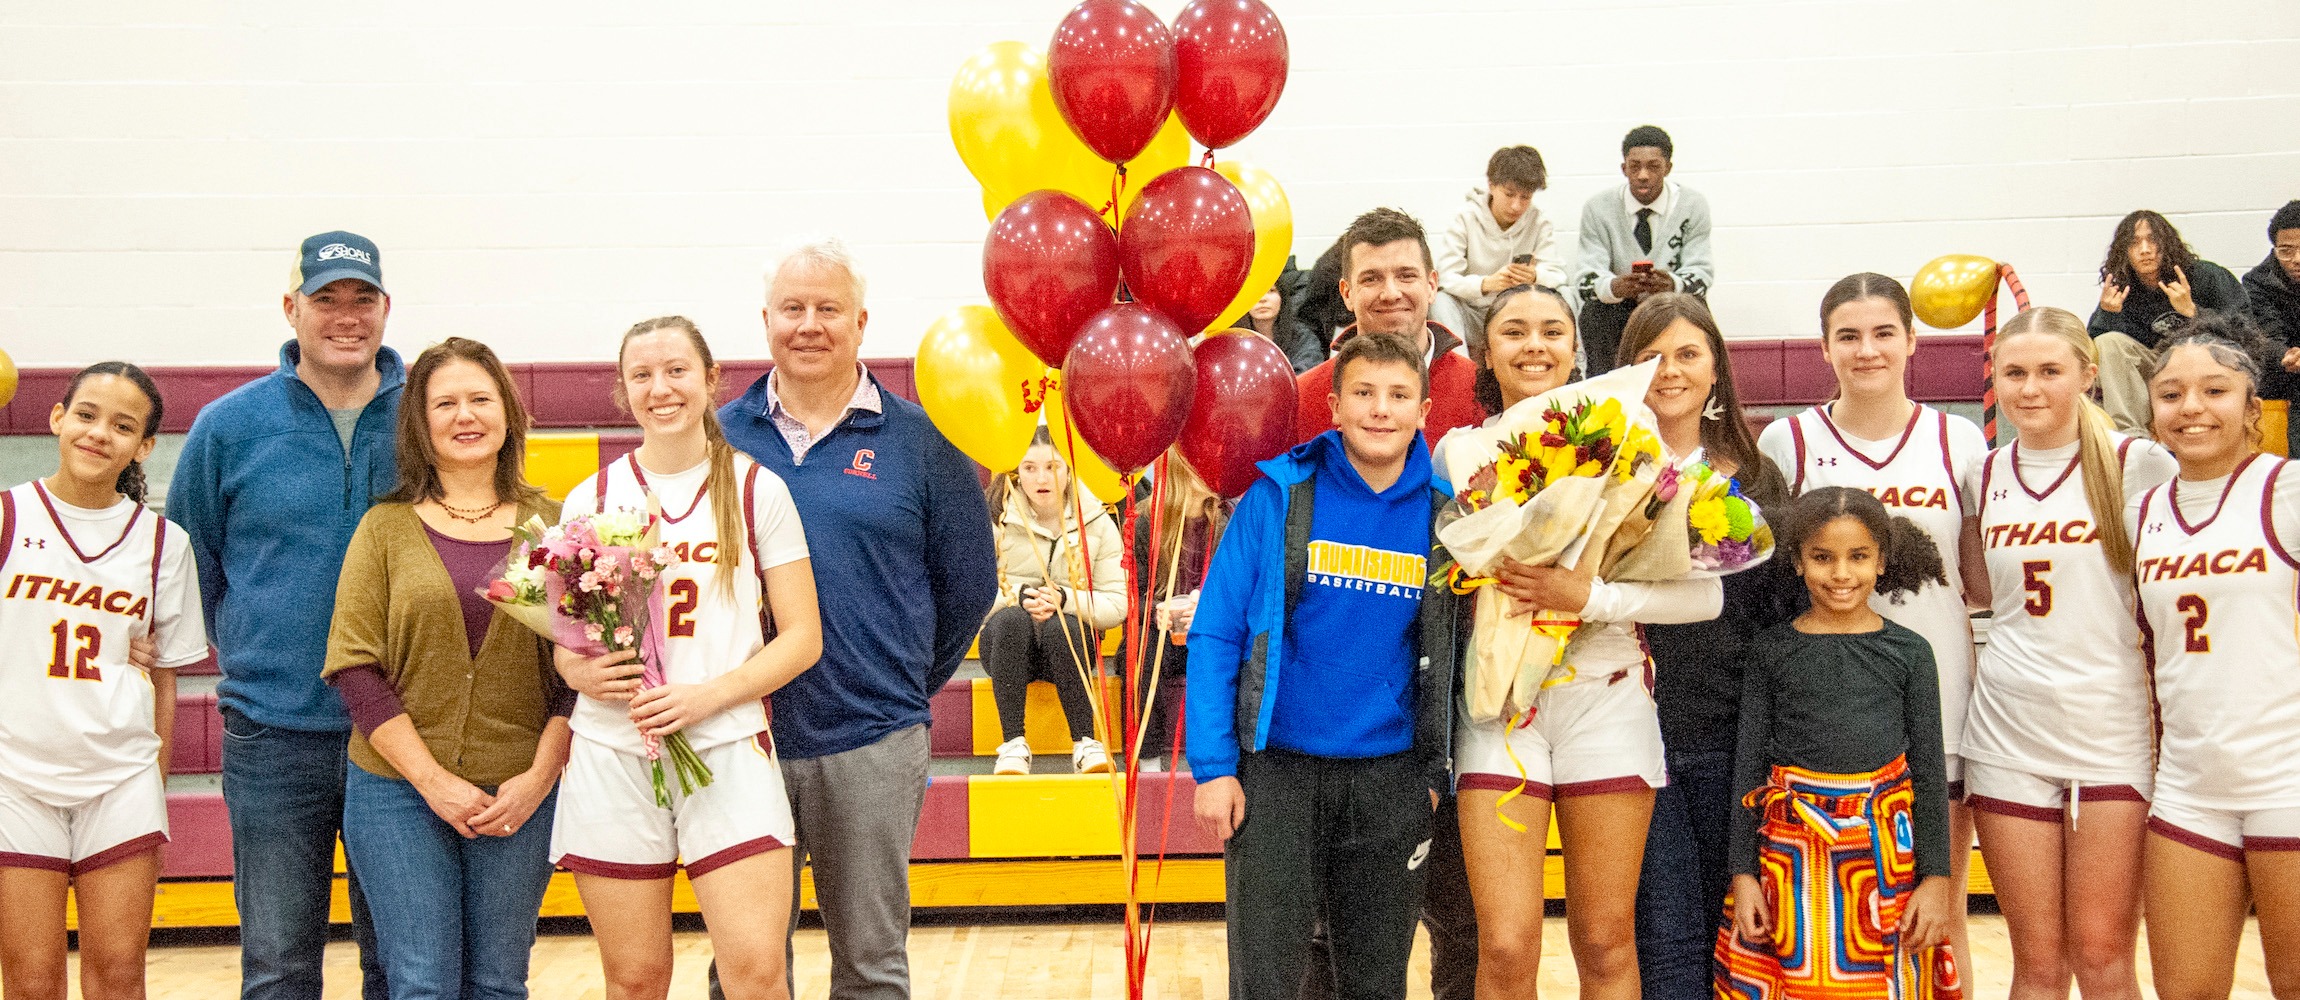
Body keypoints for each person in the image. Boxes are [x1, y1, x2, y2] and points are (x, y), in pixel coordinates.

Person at [717, 241, 998, 1000]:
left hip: (873, 740)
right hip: (742, 741)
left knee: (871, 969)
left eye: (828, 309)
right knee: (744, 969)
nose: (809, 325)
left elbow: (970, 587)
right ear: (766, 320)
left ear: (862, 323)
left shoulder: (924, 440)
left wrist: (899, 682)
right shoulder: (719, 439)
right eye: (793, 309)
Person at [1444, 285, 1724, 1000]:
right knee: (1505, 947)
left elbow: (1706, 594)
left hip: (1609, 698)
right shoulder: (1458, 451)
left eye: (1551, 330)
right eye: (1514, 331)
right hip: (1499, 708)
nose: (1533, 344)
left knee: (1605, 939)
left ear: (1577, 349)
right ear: (1487, 351)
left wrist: (1589, 597)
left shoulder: (1638, 443)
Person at [554, 316, 823, 1000]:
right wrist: (581, 672)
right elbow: (568, 650)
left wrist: (706, 696)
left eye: (676, 370)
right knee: (636, 979)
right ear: (623, 391)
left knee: (756, 975)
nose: (660, 388)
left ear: (709, 381)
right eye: (642, 375)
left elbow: (802, 637)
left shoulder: (759, 489)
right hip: (613, 752)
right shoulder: (590, 497)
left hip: (726, 745)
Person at [1188, 332, 1460, 1000]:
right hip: (1276, 775)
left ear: (1424, 411)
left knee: (1376, 982)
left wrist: (1429, 772)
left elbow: (1458, 656)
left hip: (1389, 781)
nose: (1380, 410)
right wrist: (1215, 768)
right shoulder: (1278, 498)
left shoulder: (1445, 518)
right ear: (1334, 406)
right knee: (1268, 979)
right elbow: (1217, 633)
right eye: (1363, 393)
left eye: (1399, 396)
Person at [168, 230, 400, 1000]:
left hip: (406, 737)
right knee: (277, 964)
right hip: (272, 737)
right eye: (325, 298)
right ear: (290, 307)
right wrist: (259, 648)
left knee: (403, 964)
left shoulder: (427, 418)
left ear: (385, 308)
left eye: (360, 299)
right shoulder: (227, 428)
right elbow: (186, 570)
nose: (345, 316)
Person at [317, 338, 573, 1000]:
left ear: (508, 414)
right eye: (446, 402)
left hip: (519, 790)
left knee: (498, 982)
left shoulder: (554, 528)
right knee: (422, 983)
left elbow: (581, 675)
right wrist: (433, 782)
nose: (466, 415)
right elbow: (355, 669)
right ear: (420, 422)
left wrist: (538, 778)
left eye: (481, 399)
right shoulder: (384, 528)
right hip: (398, 789)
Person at [1757, 271, 1990, 973]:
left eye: (1884, 332)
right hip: (1821, 713)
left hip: (1937, 697)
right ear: (1824, 348)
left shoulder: (1960, 442)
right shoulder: (1787, 442)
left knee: (1939, 920)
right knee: (1822, 919)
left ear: (1913, 341)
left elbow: (1978, 583)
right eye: (1848, 335)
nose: (1867, 350)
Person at [1963, 307, 2175, 1000]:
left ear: (2087, 375)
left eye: (2050, 371)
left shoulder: (2139, 464)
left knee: (2103, 955)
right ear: (1994, 379)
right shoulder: (1982, 474)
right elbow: (1976, 593)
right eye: (2014, 372)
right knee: (2038, 964)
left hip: (2111, 728)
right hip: (2008, 730)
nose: (2031, 389)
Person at [0, 364, 205, 1000]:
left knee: (119, 979)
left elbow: (165, 681)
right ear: (58, 418)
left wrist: (154, 781)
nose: (98, 434)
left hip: (119, 778)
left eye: (122, 425)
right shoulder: (8, 514)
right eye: (86, 415)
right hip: (14, 776)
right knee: (31, 984)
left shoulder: (163, 544)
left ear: (143, 447)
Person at [1614, 294, 1795, 1000]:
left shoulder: (1757, 474)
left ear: (1716, 369)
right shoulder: (1600, 468)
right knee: (1665, 937)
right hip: (1633, 736)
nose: (1669, 371)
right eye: (1650, 356)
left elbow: (1779, 613)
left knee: (1740, 932)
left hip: (1734, 738)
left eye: (1687, 354)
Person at [1720, 487, 1961, 1000]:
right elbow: (1747, 769)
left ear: (1882, 561)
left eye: (1858, 557)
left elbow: (1928, 773)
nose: (1841, 574)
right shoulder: (1771, 650)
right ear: (1797, 560)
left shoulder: (1911, 653)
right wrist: (1742, 874)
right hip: (1788, 861)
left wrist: (1936, 877)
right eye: (1822, 558)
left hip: (1886, 860)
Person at [2126, 312, 2300, 1000]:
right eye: (2170, 394)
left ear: (2254, 406)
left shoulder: (2286, 490)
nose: (2190, 408)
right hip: (2190, 790)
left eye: (2214, 391)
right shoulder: (2140, 512)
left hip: (2287, 782)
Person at [981, 427, 1124, 776]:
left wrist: (1065, 599)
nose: (1042, 478)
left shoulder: (1098, 522)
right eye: (1030, 468)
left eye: (1052, 466)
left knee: (1064, 624)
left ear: (1069, 469)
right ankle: (1013, 744)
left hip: (1071, 646)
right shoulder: (993, 516)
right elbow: (969, 596)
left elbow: (1118, 603)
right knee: (1013, 621)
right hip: (1008, 650)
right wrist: (1017, 596)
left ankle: (1086, 743)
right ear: (1016, 472)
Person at [1294, 208, 1486, 448]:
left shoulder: (1481, 392)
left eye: (1406, 276)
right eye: (1371, 279)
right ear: (1347, 293)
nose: (1391, 294)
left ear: (1431, 285)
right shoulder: (1302, 399)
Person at [2087, 210, 2249, 437]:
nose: (2145, 250)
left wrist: (2193, 312)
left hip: (2205, 365)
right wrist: (2108, 313)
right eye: (2135, 243)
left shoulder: (2206, 276)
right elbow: (2093, 351)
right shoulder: (2123, 286)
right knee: (2108, 341)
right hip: (2154, 369)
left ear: (2168, 244)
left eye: (2153, 241)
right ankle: (2130, 438)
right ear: (2124, 251)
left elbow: (2245, 332)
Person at [1121, 447, 1231, 771]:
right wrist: (1156, 610)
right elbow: (1130, 595)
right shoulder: (1144, 521)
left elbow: (1240, 593)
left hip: (1210, 630)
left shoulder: (1228, 520)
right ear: (1182, 469)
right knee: (1140, 652)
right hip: (1160, 633)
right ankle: (1149, 759)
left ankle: (1224, 757)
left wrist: (1208, 609)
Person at [1573, 126, 1714, 376]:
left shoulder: (1692, 205)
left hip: (1673, 305)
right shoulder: (1598, 208)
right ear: (1623, 168)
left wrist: (1671, 283)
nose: (1643, 175)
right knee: (1594, 313)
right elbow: (1585, 278)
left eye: (1653, 166)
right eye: (1634, 166)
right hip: (1617, 309)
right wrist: (1615, 287)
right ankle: (1603, 393)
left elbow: (1701, 274)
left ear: (1668, 168)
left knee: (1697, 306)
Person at [1432, 145, 1565, 340]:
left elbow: (1558, 276)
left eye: (1525, 197)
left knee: (1565, 295)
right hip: (1473, 313)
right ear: (1491, 185)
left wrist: (1534, 276)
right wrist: (1487, 284)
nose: (1516, 205)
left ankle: (1575, 367)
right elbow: (1445, 278)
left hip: (1521, 312)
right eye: (1509, 194)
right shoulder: (1466, 218)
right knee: (1440, 301)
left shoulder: (1539, 221)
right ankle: (1460, 368)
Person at [2244, 201, 2300, 455]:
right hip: (2283, 370)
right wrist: (2285, 355)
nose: (2296, 260)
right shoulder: (2257, 282)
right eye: (2286, 251)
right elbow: (2265, 334)